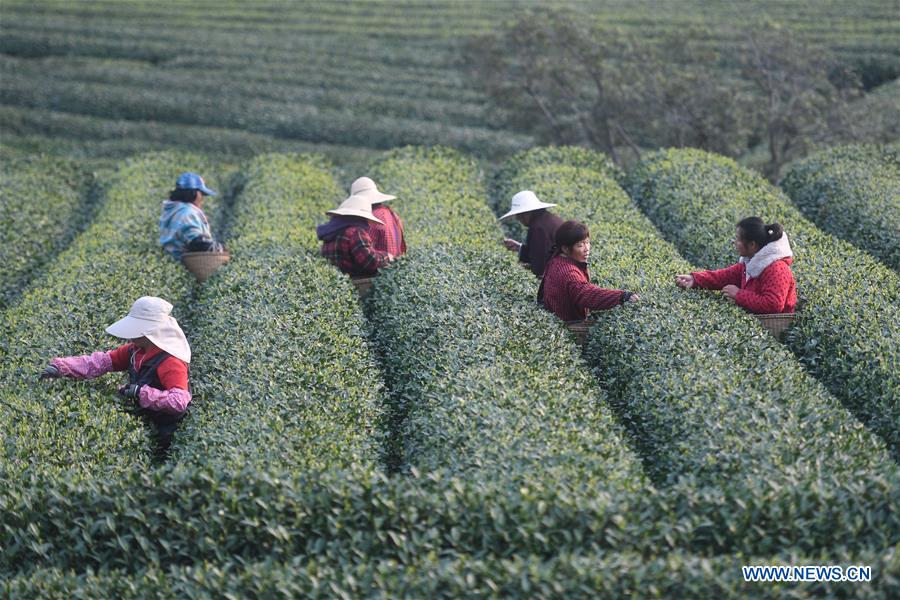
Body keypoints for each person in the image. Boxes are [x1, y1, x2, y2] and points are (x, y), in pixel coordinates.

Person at [39, 296, 192, 455]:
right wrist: (61, 367)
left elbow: (179, 401)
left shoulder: (170, 362)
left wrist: (140, 393)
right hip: (145, 420)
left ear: (150, 332)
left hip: (167, 428)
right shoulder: (135, 350)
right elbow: (100, 362)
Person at [674, 217, 796, 314]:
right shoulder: (750, 262)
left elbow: (774, 305)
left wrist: (738, 294)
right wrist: (694, 279)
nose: (735, 242)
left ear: (752, 244)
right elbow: (723, 277)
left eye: (738, 239)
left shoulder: (777, 269)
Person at [538, 220, 639, 321]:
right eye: (580, 245)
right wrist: (622, 296)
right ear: (565, 249)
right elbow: (588, 294)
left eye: (587, 242)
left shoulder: (556, 259)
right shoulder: (569, 272)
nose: (587, 249)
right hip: (569, 324)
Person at [317, 194, 394, 276]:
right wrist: (387, 256)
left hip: (337, 277)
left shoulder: (332, 231)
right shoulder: (355, 232)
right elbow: (369, 261)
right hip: (354, 278)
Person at [159, 172, 225, 261]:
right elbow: (197, 243)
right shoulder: (188, 213)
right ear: (196, 193)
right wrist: (218, 248)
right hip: (186, 263)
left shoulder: (171, 209)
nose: (202, 198)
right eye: (202, 194)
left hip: (168, 260)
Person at [500, 190, 564, 277]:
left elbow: (540, 267)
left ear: (526, 213)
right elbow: (540, 252)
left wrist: (523, 269)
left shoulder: (538, 228)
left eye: (519, 215)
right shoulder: (548, 218)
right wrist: (519, 247)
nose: (518, 219)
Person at [351, 176, 407, 257]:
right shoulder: (391, 213)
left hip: (382, 263)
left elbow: (365, 253)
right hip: (396, 262)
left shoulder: (372, 219)